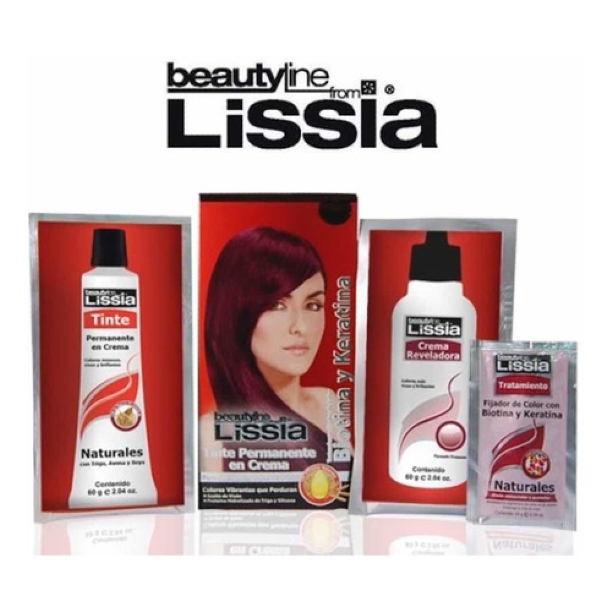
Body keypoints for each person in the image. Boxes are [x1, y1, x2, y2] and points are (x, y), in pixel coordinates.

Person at [201, 227, 338, 472]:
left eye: (313, 305)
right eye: (277, 305)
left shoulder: (327, 401)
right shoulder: (213, 435)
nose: (301, 327)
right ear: (237, 314)